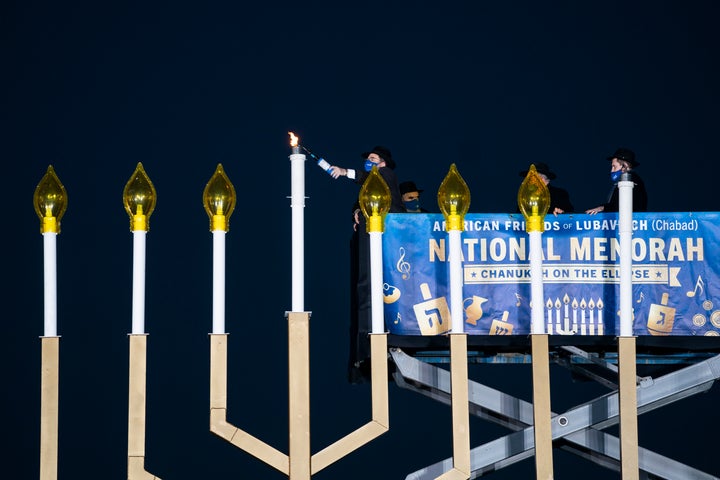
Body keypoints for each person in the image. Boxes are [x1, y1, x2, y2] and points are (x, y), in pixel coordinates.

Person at [328, 146, 404, 383]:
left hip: (391, 233)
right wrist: (356, 211)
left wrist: (343, 171)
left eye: (372, 159)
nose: (368, 163)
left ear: (383, 163)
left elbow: (367, 179)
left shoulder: (387, 176)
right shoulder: (373, 184)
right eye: (368, 160)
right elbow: (363, 198)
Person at [585, 147, 648, 214]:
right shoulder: (626, 181)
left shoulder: (631, 182)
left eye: (614, 166)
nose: (611, 170)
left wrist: (602, 208)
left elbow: (622, 205)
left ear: (624, 166)